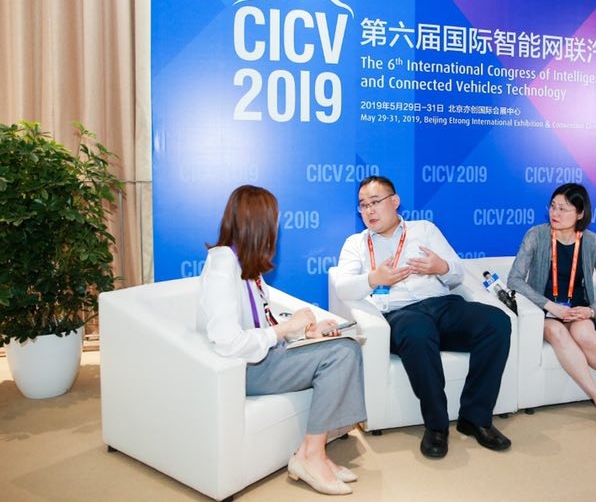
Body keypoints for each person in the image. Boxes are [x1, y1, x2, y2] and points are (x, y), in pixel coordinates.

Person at [197, 185, 366, 495]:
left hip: (264, 358)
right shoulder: (222, 266)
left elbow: (263, 321)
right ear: (259, 224)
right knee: (342, 353)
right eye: (274, 220)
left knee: (346, 347)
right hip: (245, 369)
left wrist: (305, 332)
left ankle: (316, 453)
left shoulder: (243, 264)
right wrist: (287, 329)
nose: (277, 228)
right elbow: (229, 343)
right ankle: (310, 456)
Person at [333, 176, 512, 458]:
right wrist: (374, 278)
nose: (369, 211)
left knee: (496, 321)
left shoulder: (424, 229)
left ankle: (475, 418)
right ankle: (437, 426)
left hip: (442, 305)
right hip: (399, 313)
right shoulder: (356, 244)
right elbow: (342, 287)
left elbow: (457, 272)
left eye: (375, 202)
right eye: (363, 205)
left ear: (395, 201)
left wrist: (440, 267)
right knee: (418, 331)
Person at [507, 182, 596, 433]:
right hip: (545, 310)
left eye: (563, 209)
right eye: (553, 207)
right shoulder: (536, 235)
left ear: (580, 213)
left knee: (584, 334)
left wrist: (591, 311)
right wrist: (549, 306)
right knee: (557, 332)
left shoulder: (593, 242)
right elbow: (514, 279)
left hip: (578, 309)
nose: (555, 213)